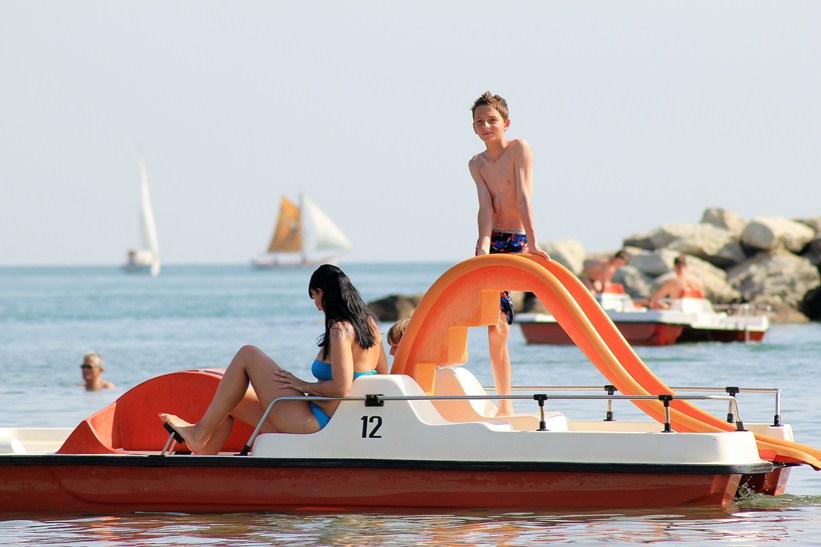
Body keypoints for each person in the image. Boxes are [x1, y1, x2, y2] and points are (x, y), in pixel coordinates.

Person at [159, 265, 388, 454]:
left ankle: (199, 433)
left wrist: (303, 385)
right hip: (329, 416)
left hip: (315, 421)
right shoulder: (370, 325)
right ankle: (203, 457)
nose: (317, 307)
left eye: (314, 298)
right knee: (231, 401)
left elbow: (340, 388)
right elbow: (384, 376)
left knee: (247, 353)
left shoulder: (340, 330)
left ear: (322, 292)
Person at [468, 91, 551, 417]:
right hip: (495, 241)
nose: (486, 126)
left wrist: (533, 242)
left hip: (519, 239)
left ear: (506, 123)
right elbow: (485, 208)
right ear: (473, 128)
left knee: (540, 299)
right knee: (496, 328)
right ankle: (505, 405)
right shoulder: (476, 164)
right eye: (480, 122)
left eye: (492, 120)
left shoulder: (519, 149)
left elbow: (524, 198)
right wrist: (483, 245)